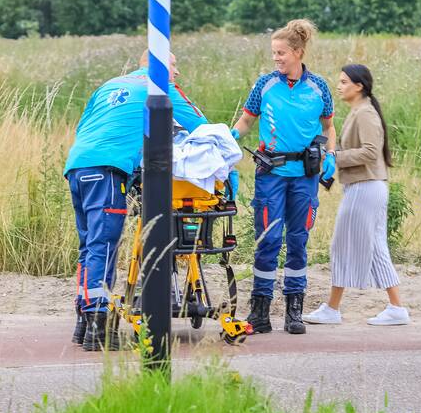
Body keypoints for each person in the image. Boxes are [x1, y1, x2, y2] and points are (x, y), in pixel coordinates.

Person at [64, 51, 208, 351]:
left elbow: (84, 125)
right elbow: (202, 126)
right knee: (103, 245)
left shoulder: (109, 85)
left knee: (89, 245)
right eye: (174, 64)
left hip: (78, 165)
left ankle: (83, 319)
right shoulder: (159, 86)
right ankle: (97, 328)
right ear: (158, 64)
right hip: (108, 169)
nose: (177, 72)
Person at [231, 19, 336, 335]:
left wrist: (331, 155)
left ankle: (294, 311)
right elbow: (247, 121)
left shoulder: (319, 87)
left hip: (304, 176)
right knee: (268, 241)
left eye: (281, 53)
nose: (276, 58)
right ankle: (260, 311)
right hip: (271, 175)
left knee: (298, 241)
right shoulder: (265, 85)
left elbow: (329, 127)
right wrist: (226, 140)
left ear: (298, 52)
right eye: (274, 53)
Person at [303, 64, 408, 326]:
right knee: (374, 247)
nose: (339, 86)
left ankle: (333, 308)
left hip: (365, 186)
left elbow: (371, 152)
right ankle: (396, 307)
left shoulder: (365, 114)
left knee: (342, 246)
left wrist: (335, 157)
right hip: (365, 186)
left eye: (344, 82)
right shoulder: (358, 111)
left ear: (359, 85)